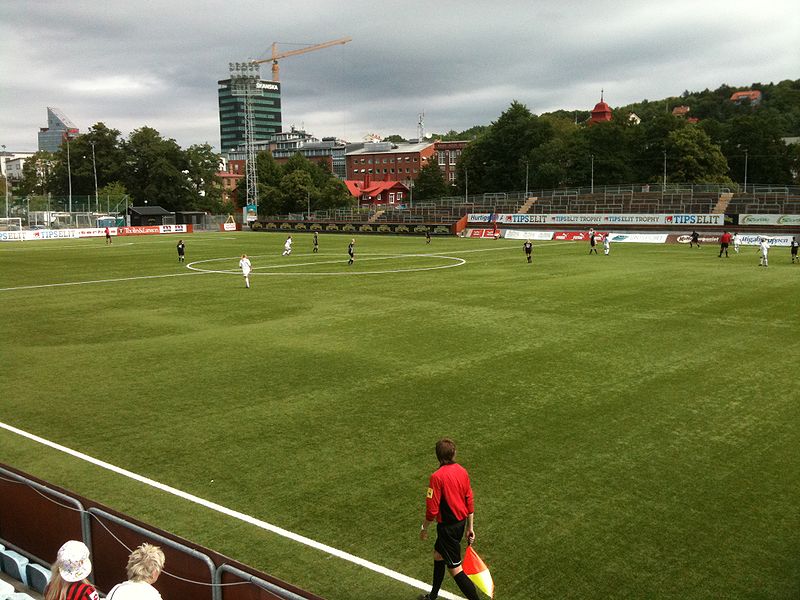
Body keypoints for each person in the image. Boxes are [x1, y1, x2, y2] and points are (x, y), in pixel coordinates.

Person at [419, 438, 480, 600]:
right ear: (453, 454)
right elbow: (469, 500)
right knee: (438, 554)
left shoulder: (436, 477)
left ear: (438, 456)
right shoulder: (462, 471)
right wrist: (470, 527)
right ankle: (432, 596)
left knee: (455, 569)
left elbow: (432, 510)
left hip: (448, 528)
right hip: (460, 524)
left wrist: (424, 528)